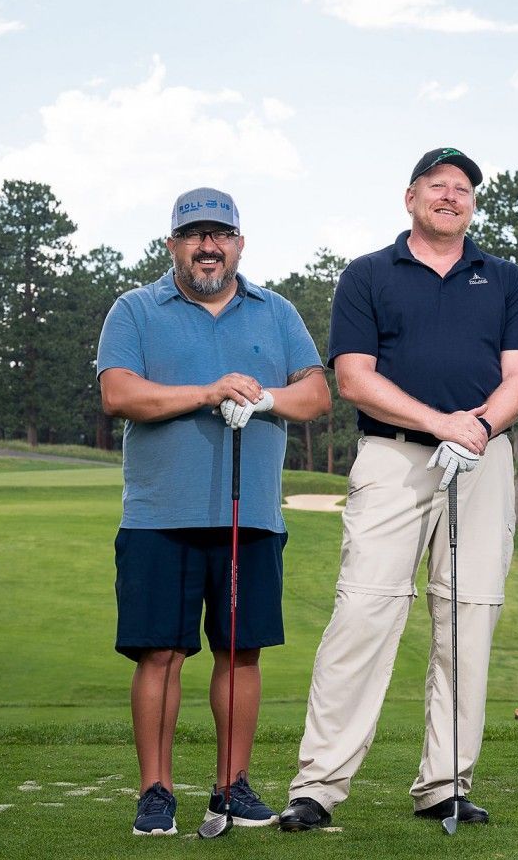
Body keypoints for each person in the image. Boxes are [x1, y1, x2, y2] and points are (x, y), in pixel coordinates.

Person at [276, 147, 518, 832]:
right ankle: (319, 787)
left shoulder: (504, 279)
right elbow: (354, 378)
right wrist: (440, 423)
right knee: (363, 614)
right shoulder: (367, 274)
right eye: (437, 186)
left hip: (482, 461)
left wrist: (476, 427)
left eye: (462, 189)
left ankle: (444, 785)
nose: (450, 197)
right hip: (394, 460)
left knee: (466, 621)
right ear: (410, 197)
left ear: (472, 205)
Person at [97, 187, 330, 835]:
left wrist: (265, 401)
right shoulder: (136, 309)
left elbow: (315, 395)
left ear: (239, 243)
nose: (208, 246)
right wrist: (208, 392)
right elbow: (119, 392)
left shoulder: (275, 311)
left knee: (240, 652)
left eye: (220, 234)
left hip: (248, 517)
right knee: (160, 655)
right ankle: (156, 791)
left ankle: (230, 787)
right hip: (157, 517)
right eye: (194, 235)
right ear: (172, 244)